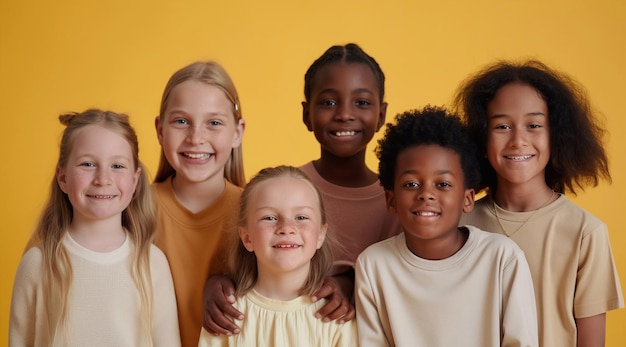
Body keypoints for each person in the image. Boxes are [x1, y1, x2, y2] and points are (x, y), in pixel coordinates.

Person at [203, 43, 401, 336]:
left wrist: (352, 281)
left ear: (382, 115)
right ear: (307, 114)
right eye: (329, 103)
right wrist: (216, 283)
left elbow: (399, 277)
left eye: (361, 102)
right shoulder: (285, 190)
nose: (345, 114)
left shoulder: (397, 202)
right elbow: (249, 256)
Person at [454, 60, 624, 347]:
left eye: (534, 125)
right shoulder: (458, 225)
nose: (518, 140)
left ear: (556, 137)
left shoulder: (585, 233)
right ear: (481, 138)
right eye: (502, 126)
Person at [355, 106, 538, 346]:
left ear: (467, 199)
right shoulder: (373, 265)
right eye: (411, 184)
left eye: (442, 184)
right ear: (391, 200)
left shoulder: (502, 258)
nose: (426, 194)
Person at [9, 109, 180, 347]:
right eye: (88, 164)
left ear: (134, 179)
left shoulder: (153, 263)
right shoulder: (37, 264)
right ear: (63, 177)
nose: (103, 178)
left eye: (117, 166)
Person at [198, 165, 357, 346]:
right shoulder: (224, 315)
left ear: (320, 235)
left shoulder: (336, 316)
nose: (286, 228)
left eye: (301, 217)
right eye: (269, 218)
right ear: (247, 237)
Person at [152, 61, 245, 347]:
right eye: (181, 121)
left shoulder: (255, 213)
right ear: (159, 130)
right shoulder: (134, 206)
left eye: (214, 123)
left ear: (237, 133)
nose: (196, 138)